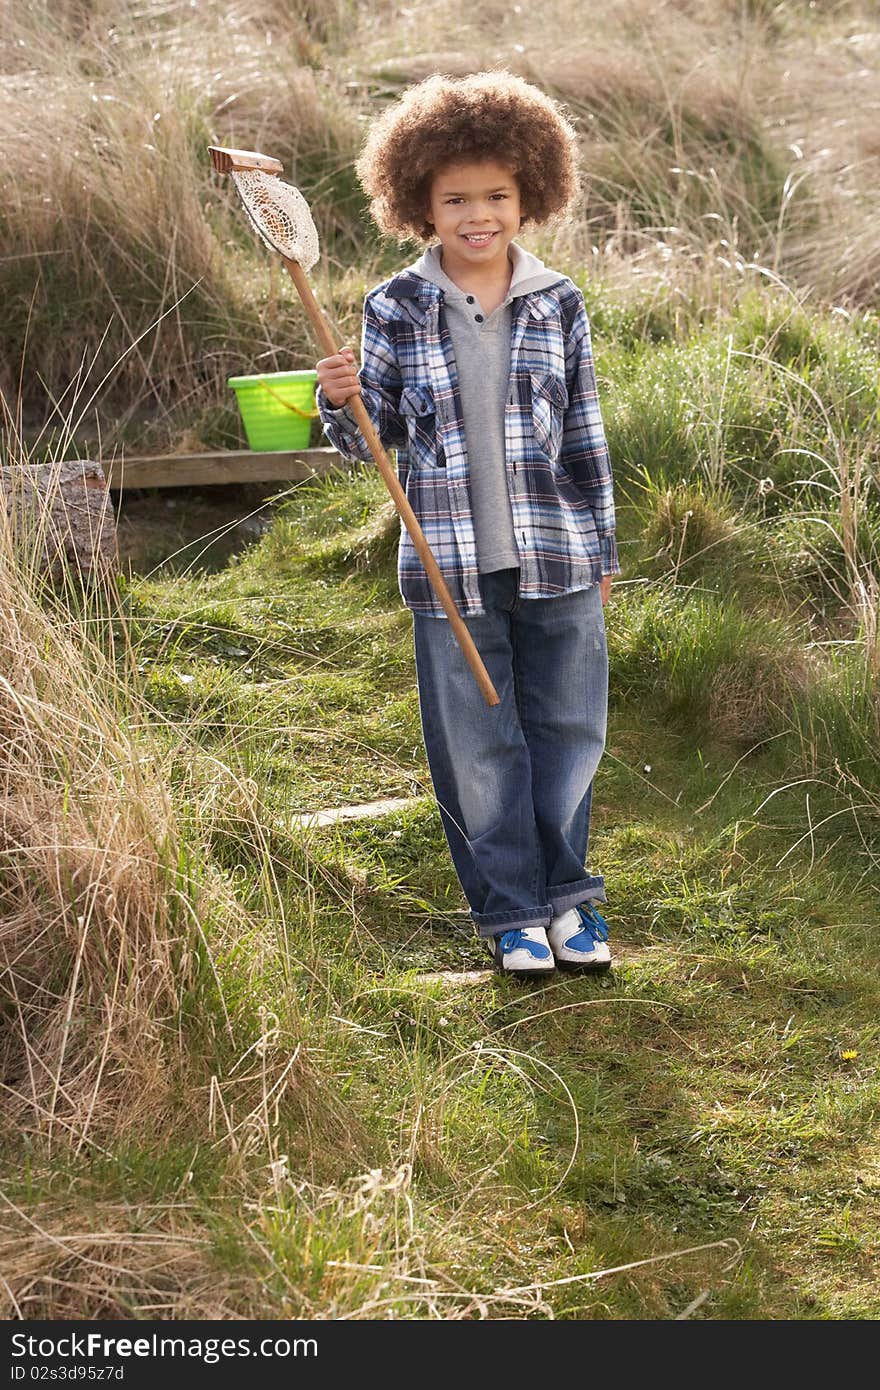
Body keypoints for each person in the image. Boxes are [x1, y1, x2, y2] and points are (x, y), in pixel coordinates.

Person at [315, 71, 620, 979]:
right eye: (455, 199)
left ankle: (571, 902)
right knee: (479, 746)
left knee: (568, 730)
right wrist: (341, 403)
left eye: (496, 196)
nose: (477, 215)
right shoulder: (393, 307)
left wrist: (603, 549)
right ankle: (511, 913)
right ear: (419, 202)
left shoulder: (558, 300)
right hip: (449, 562)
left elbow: (585, 436)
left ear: (531, 195)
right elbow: (378, 438)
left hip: (558, 556)